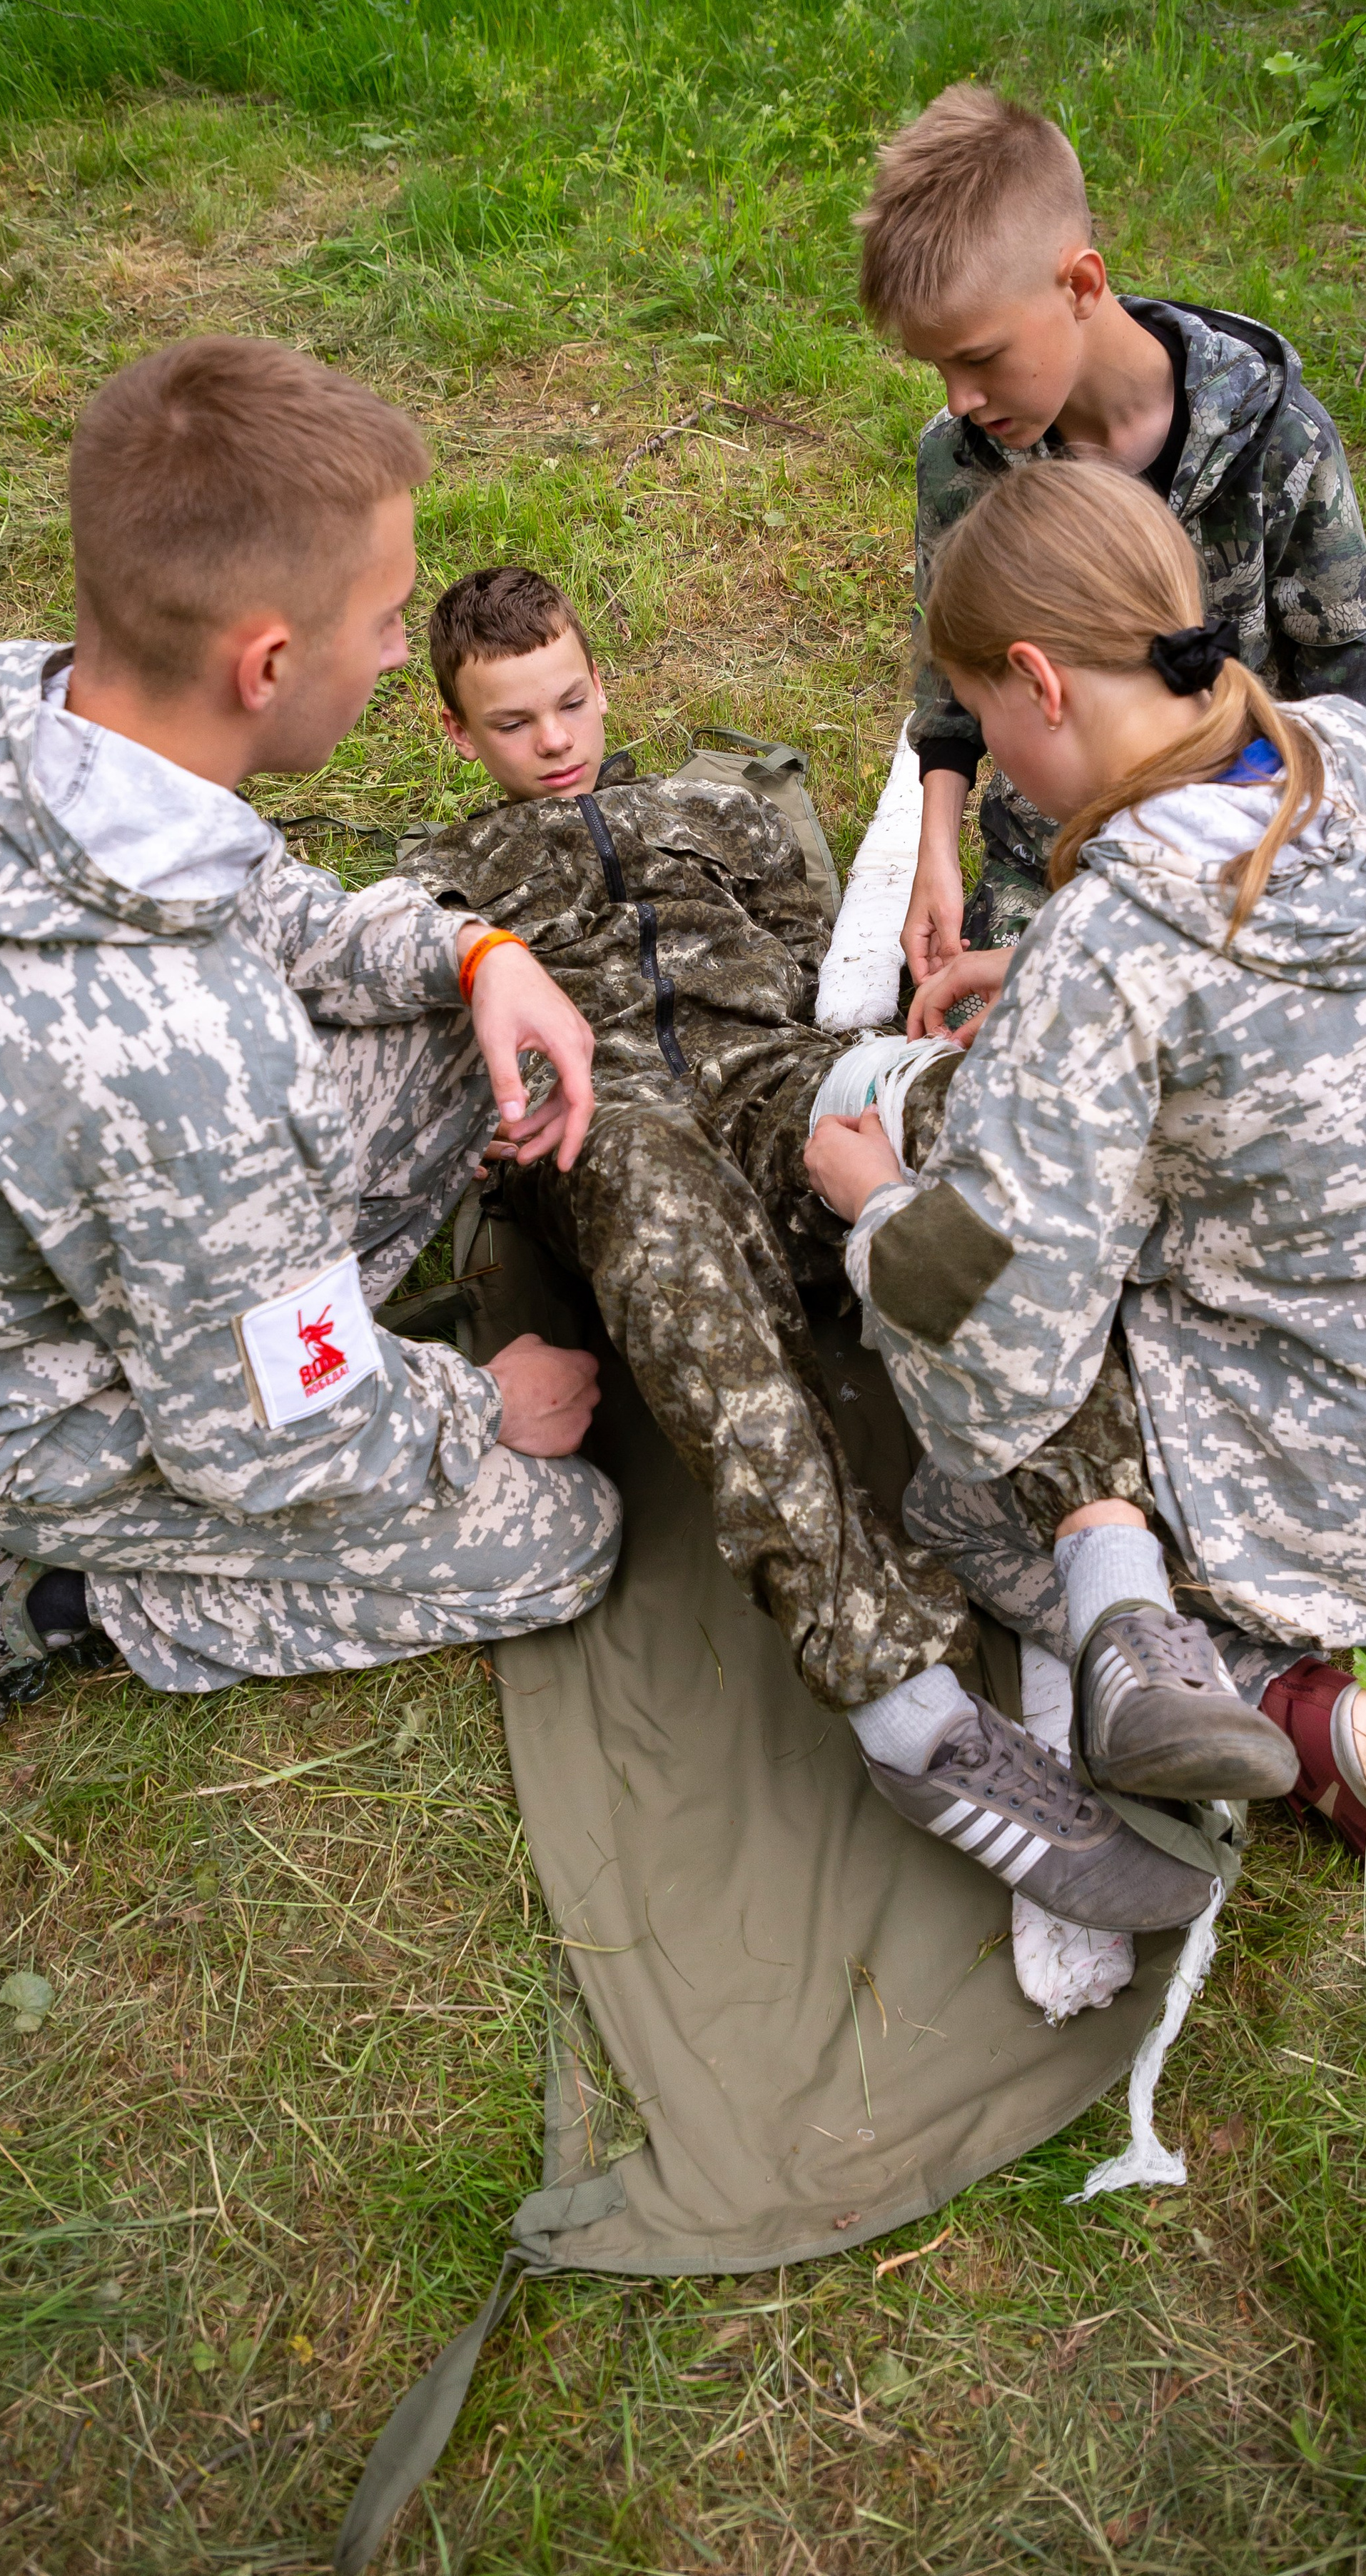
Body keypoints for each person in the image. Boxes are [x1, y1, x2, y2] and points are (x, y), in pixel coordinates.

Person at [806, 455, 1366, 1891]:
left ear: (1035, 682)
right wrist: (1042, 960)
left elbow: (998, 1357)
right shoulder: (1347, 752)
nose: (991, 746)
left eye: (981, 718)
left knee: (960, 1490)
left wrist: (868, 1204)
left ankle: (1265, 1696)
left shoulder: (1115, 959)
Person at [407, 566, 1228, 1933]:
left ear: (603, 680)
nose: (554, 743)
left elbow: (819, 973)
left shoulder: (712, 812)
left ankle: (1122, 1601)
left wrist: (897, 1076)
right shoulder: (444, 884)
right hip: (616, 1125)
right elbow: (431, 1035)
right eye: (510, 725)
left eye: (569, 702)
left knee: (978, 1110)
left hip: (775, 1086)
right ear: (456, 735)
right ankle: (913, 1724)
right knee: (663, 1225)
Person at [0, 337, 620, 1744]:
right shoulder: (193, 1066)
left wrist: (474, 950)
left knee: (459, 1025)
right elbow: (269, 1440)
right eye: (385, 620)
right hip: (55, 1421)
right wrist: (469, 1405)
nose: (398, 648)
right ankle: (59, 1595)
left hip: (80, 1250)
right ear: (266, 663)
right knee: (563, 1535)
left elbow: (288, 921)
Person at [853, 84, 1366, 977]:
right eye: (938, 367)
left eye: (980, 358)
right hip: (1054, 848)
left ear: (1080, 284)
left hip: (1240, 838)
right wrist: (937, 856)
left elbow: (1351, 680)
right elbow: (951, 680)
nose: (959, 399)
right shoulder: (961, 458)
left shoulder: (1277, 439)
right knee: (990, 1050)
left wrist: (1325, 873)